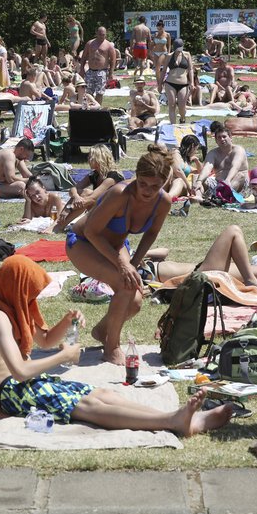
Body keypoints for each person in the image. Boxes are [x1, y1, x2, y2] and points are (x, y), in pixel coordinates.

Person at [0, 255, 233, 436]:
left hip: (26, 383)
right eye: (30, 291)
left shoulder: (17, 307)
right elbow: (19, 371)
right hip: (9, 392)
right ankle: (171, 422)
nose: (33, 298)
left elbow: (44, 340)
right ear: (17, 287)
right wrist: (60, 357)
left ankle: (178, 416)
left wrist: (66, 322)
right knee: (88, 407)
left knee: (103, 395)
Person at [66, 144, 172, 364]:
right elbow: (91, 232)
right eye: (142, 183)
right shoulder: (119, 193)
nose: (147, 190)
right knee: (125, 283)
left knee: (136, 298)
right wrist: (123, 265)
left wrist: (132, 263)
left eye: (155, 186)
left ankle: (102, 331)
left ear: (165, 182)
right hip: (84, 242)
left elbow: (151, 233)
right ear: (135, 177)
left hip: (115, 245)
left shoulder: (163, 201)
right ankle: (112, 346)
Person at [147, 224, 257, 288]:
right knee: (233, 231)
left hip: (201, 270)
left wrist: (142, 254)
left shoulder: (135, 259)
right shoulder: (134, 275)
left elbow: (164, 251)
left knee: (256, 270)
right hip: (199, 276)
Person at [55, 145, 123, 230]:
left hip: (114, 214)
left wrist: (68, 208)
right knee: (81, 194)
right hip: (102, 209)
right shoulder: (94, 174)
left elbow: (93, 198)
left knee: (86, 193)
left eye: (90, 157)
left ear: (98, 159)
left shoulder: (113, 176)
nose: (88, 159)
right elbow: (73, 189)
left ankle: (60, 224)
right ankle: (59, 224)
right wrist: (76, 196)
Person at [195, 125, 248, 195]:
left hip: (237, 184)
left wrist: (228, 180)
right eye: (219, 138)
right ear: (216, 141)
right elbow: (207, 168)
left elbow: (235, 167)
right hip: (218, 183)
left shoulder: (238, 150)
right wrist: (199, 181)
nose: (222, 139)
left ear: (230, 137)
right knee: (196, 177)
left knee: (240, 175)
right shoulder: (213, 153)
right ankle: (198, 198)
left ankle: (221, 196)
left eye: (224, 136)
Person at [81, 27, 117, 106]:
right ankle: (88, 108)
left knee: (100, 92)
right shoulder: (90, 43)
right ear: (96, 33)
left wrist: (111, 73)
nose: (102, 36)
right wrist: (82, 70)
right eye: (100, 34)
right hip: (90, 71)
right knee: (87, 91)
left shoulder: (108, 45)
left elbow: (113, 59)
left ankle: (97, 108)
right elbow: (83, 57)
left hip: (102, 71)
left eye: (103, 35)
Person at [163, 39, 194, 124]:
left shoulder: (187, 55)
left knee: (182, 106)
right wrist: (160, 83)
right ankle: (173, 125)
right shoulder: (169, 56)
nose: (178, 51)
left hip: (183, 84)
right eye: (176, 49)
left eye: (179, 49)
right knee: (171, 105)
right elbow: (164, 70)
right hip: (170, 82)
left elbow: (190, 69)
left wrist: (192, 82)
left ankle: (182, 118)